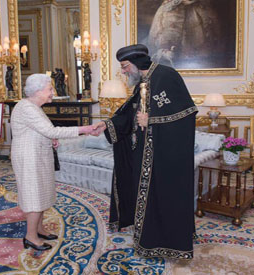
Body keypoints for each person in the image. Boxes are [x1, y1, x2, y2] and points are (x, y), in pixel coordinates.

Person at [93, 44, 198, 259]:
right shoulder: (143, 82)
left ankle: (164, 241)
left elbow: (186, 114)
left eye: (124, 66)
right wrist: (107, 125)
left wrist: (152, 120)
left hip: (164, 155)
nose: (123, 71)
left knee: (163, 196)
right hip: (143, 152)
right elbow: (130, 112)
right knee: (145, 195)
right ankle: (147, 235)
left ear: (136, 62)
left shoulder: (166, 76)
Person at [11, 74, 96, 251]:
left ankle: (39, 229)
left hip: (39, 154)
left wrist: (51, 139)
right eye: (50, 89)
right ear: (38, 90)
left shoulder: (35, 107)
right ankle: (31, 237)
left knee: (41, 193)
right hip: (29, 157)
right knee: (34, 196)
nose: (52, 92)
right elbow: (49, 129)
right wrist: (84, 129)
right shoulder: (26, 107)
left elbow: (40, 131)